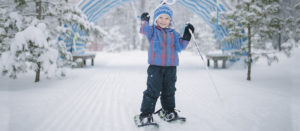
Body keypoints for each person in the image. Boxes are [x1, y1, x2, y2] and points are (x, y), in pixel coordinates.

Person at [136, 4, 194, 125]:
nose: (163, 20)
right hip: (155, 68)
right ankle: (145, 114)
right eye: (160, 17)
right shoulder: (152, 31)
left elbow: (181, 46)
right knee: (153, 91)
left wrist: (187, 36)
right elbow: (144, 30)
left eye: (166, 18)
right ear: (156, 19)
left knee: (169, 91)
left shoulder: (174, 34)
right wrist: (144, 21)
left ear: (170, 20)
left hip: (171, 68)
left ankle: (168, 111)